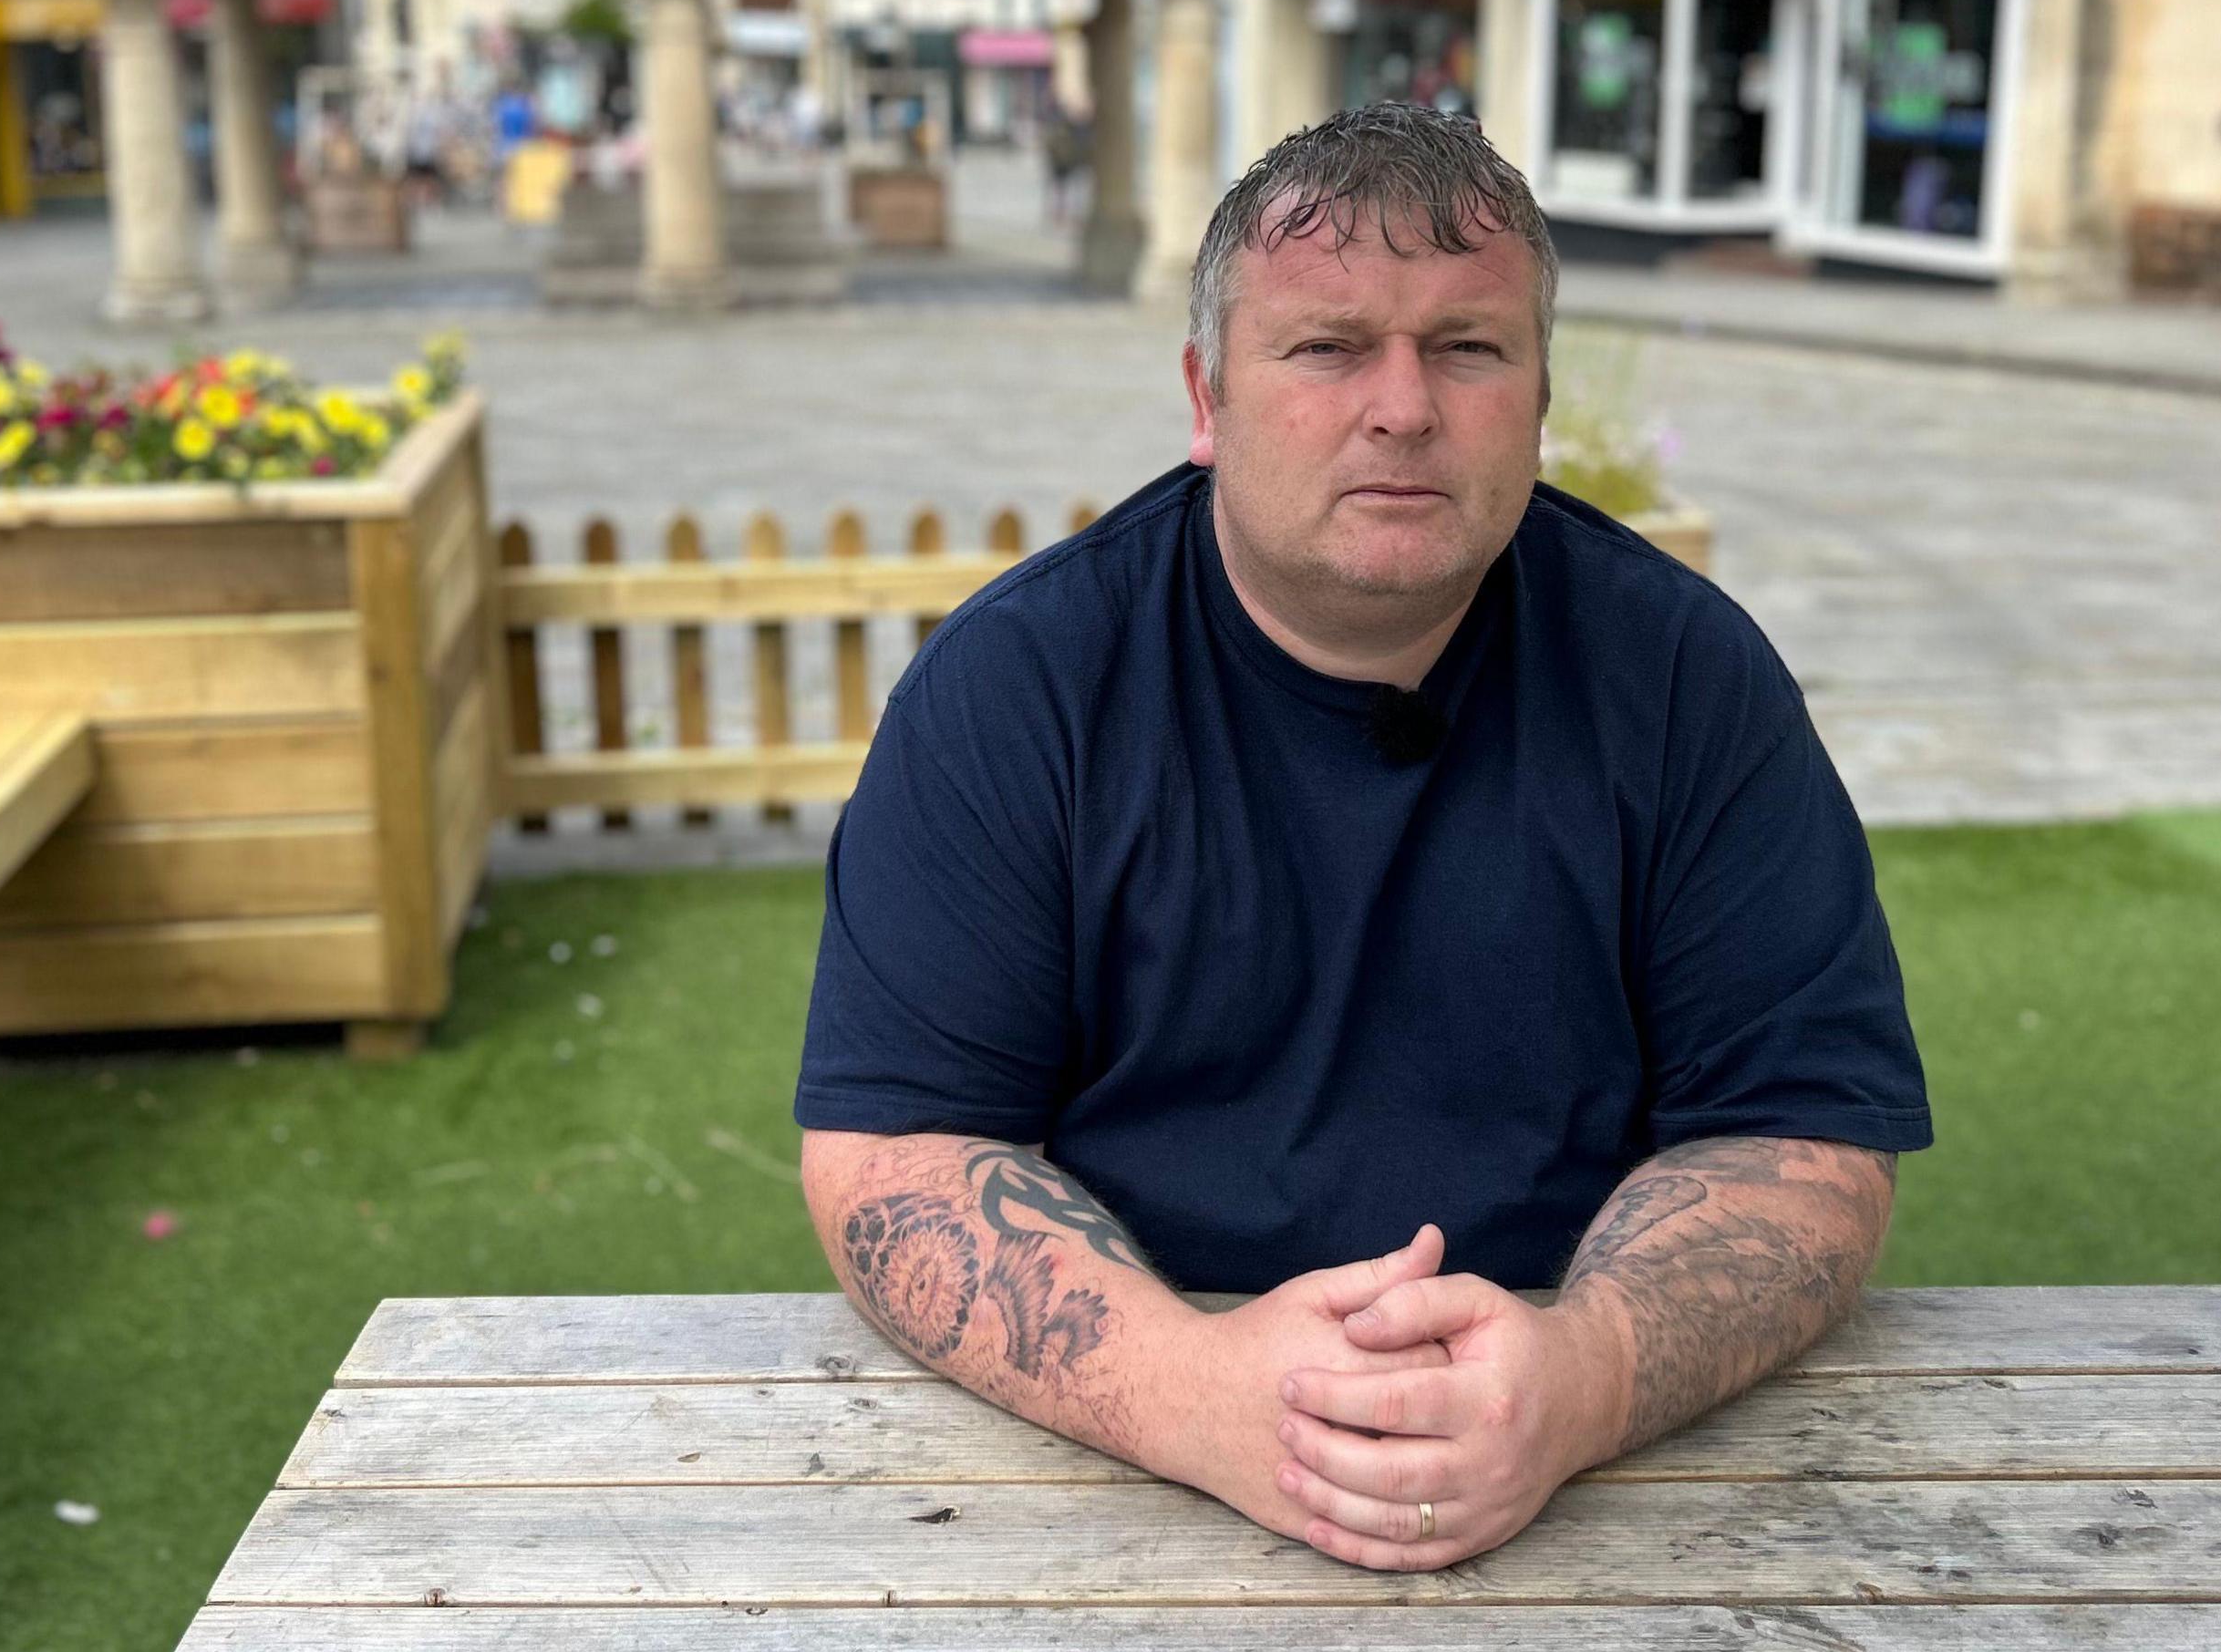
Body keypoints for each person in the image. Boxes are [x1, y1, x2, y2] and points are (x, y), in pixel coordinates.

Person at [794, 103, 1927, 1575]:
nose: (1403, 406)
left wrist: (1580, 1379)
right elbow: (895, 1152)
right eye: (1327, 346)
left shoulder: (1681, 675)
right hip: (1114, 1444)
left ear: (1535, 393)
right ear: (1208, 397)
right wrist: (1194, 1392)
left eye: (1467, 347)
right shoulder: (1024, 685)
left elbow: (1804, 1138)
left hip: (1597, 1444)